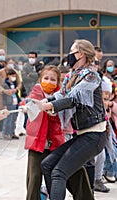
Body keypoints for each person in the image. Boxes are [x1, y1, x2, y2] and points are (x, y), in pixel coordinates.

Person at [39, 39, 107, 199]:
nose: (68, 56)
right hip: (83, 135)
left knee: (59, 173)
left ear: (81, 54)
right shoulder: (74, 76)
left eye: (72, 51)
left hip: (95, 135)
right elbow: (61, 95)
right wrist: (44, 101)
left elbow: (73, 98)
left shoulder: (91, 76)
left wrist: (50, 106)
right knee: (47, 165)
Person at [24, 66, 64, 200]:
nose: (49, 81)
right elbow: (31, 103)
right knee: (34, 178)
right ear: (40, 79)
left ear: (58, 82)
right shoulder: (36, 91)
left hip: (54, 144)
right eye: (46, 78)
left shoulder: (60, 95)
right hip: (36, 143)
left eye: (53, 79)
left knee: (53, 178)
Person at [2, 69, 20, 140]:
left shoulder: (15, 84)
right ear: (8, 76)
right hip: (9, 104)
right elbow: (2, 96)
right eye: (12, 75)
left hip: (15, 103)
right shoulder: (5, 85)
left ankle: (12, 133)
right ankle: (6, 133)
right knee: (8, 120)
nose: (14, 77)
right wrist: (4, 105)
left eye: (14, 75)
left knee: (14, 119)